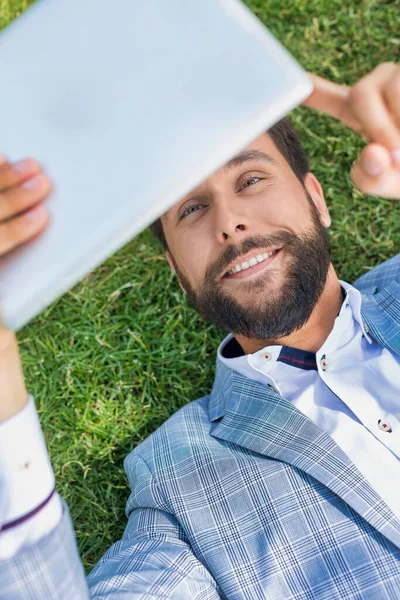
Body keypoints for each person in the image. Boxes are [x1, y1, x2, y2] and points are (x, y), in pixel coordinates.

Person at [0, 62, 399, 599]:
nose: (228, 221)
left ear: (316, 199)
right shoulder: (177, 480)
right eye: (190, 208)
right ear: (175, 270)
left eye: (251, 179)